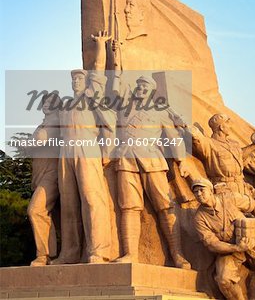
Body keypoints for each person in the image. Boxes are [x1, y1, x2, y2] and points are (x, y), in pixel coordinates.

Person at [114, 74, 191, 269]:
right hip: (126, 160)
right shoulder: (124, 109)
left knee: (165, 207)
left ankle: (177, 255)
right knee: (129, 207)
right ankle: (130, 254)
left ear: (151, 91)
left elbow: (173, 138)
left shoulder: (160, 112)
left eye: (145, 88)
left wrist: (181, 160)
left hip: (152, 160)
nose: (140, 90)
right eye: (139, 87)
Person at [51, 31, 116, 265]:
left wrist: (100, 45)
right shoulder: (66, 104)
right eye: (74, 80)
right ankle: (69, 251)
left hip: (87, 149)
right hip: (65, 153)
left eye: (79, 79)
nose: (76, 82)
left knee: (92, 198)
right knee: (68, 202)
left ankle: (98, 250)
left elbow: (98, 70)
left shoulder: (91, 96)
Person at [192, 178, 255, 300]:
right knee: (223, 279)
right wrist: (236, 248)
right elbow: (212, 244)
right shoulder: (199, 218)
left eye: (201, 190)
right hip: (229, 250)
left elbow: (252, 205)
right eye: (196, 192)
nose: (199, 194)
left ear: (211, 191)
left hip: (252, 241)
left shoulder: (230, 198)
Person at [191, 113, 255, 194]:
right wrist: (186, 126)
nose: (230, 127)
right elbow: (197, 140)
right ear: (221, 127)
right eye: (227, 124)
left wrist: (254, 146)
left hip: (241, 187)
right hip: (223, 188)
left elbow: (240, 157)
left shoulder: (234, 143)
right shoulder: (210, 144)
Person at [26, 92, 60, 266]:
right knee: (47, 215)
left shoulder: (55, 122)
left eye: (51, 102)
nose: (47, 104)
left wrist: (29, 142)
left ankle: (44, 254)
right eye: (45, 102)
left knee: (35, 210)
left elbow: (38, 141)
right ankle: (51, 255)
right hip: (40, 175)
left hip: (51, 174)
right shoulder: (44, 124)